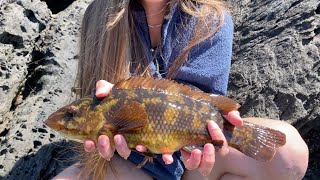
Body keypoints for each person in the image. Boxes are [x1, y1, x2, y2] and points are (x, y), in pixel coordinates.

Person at [53, 0, 309, 179]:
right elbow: (95, 108)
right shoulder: (98, 18)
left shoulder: (212, 18)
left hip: (192, 166)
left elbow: (202, 101)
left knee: (288, 155)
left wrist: (202, 140)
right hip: (126, 165)